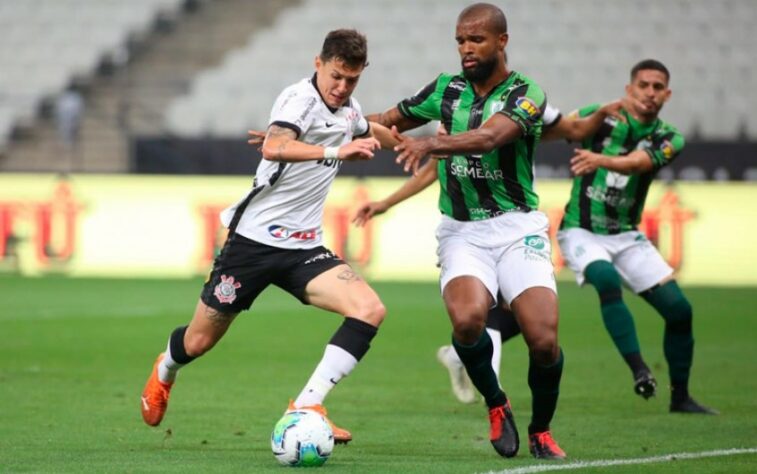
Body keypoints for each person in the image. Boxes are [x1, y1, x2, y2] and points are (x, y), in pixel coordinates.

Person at [140, 29, 396, 445]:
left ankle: (307, 405)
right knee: (199, 341)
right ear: (318, 63)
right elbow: (275, 146)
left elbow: (369, 127)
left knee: (369, 309)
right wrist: (336, 151)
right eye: (336, 76)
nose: (341, 87)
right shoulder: (299, 99)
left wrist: (416, 146)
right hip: (253, 243)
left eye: (352, 79)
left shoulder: (348, 110)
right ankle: (165, 368)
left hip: (304, 249)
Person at [364, 3, 572, 460]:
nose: (466, 48)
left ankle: (541, 429)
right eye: (460, 40)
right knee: (467, 321)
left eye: (476, 39)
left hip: (518, 227)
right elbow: (389, 119)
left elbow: (492, 137)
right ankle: (497, 404)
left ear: (502, 41)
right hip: (462, 230)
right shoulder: (445, 88)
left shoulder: (527, 92)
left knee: (543, 339)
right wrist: (325, 121)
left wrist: (432, 142)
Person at [354, 102, 628, 405]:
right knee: (486, 310)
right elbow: (433, 170)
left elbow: (571, 127)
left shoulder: (526, 104)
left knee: (527, 317)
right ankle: (495, 398)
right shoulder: (455, 108)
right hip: (469, 233)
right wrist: (385, 203)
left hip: (516, 229)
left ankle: (460, 358)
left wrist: (597, 116)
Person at [557, 59, 717, 414]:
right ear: (629, 89)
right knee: (605, 278)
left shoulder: (669, 137)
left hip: (626, 235)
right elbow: (565, 129)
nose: (650, 93)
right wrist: (596, 117)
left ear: (667, 94)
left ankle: (680, 397)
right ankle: (639, 370)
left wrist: (598, 160)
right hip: (581, 229)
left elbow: (640, 164)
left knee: (679, 311)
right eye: (643, 85)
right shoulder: (601, 116)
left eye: (658, 87)